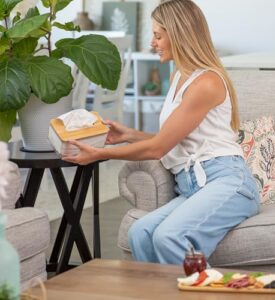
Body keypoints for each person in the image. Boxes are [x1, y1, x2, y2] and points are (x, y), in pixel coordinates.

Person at [63, 0, 260, 265]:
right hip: (194, 186)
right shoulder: (180, 76)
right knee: (140, 233)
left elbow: (158, 149)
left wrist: (100, 153)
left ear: (178, 35)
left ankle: (211, 291)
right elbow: (170, 140)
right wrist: (129, 134)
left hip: (227, 182)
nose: (152, 43)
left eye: (157, 35)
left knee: (168, 236)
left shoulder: (207, 82)